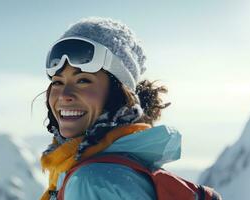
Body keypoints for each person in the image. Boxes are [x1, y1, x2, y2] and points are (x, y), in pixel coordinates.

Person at [39, 17, 185, 200]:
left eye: (83, 80)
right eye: (58, 82)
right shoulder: (114, 167)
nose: (64, 95)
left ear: (119, 93)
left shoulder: (91, 181)